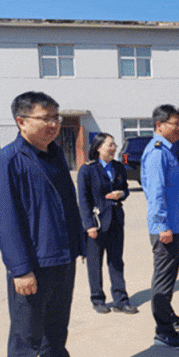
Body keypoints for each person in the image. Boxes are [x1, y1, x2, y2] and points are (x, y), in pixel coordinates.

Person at [0, 92, 98, 357]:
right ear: (21, 122)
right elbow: (5, 221)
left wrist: (78, 244)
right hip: (33, 265)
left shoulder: (54, 155)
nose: (53, 124)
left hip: (62, 257)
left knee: (56, 330)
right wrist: (20, 269)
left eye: (56, 117)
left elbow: (66, 205)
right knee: (26, 340)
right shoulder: (7, 161)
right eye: (45, 118)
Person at [141, 105, 179, 349]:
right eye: (175, 124)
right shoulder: (157, 153)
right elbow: (156, 193)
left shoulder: (166, 150)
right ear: (160, 125)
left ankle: (168, 315)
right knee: (163, 279)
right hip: (166, 228)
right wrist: (162, 226)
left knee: (170, 276)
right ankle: (163, 331)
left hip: (175, 224)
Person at [77, 133, 137, 314]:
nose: (113, 148)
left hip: (116, 220)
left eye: (114, 145)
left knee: (116, 261)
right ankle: (97, 299)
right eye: (109, 145)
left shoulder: (118, 166)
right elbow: (83, 200)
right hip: (97, 223)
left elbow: (125, 189)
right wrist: (89, 225)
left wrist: (121, 194)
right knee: (95, 263)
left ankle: (121, 300)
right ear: (98, 148)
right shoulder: (87, 169)